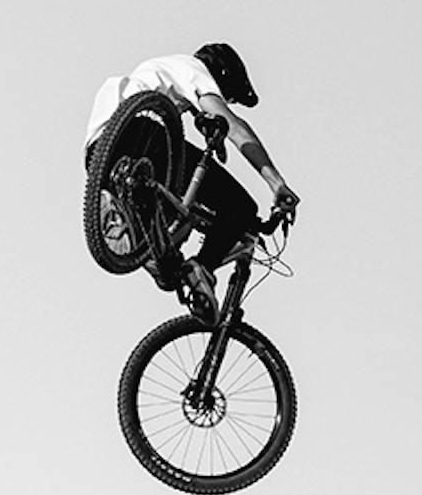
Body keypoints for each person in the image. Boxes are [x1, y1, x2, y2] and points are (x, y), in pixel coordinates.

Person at [84, 42, 300, 313]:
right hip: (144, 134)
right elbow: (235, 128)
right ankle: (201, 269)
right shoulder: (194, 70)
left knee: (177, 232)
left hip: (98, 152)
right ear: (220, 73)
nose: (223, 99)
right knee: (240, 206)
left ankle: (143, 232)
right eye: (226, 95)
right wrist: (276, 183)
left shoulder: (156, 72)